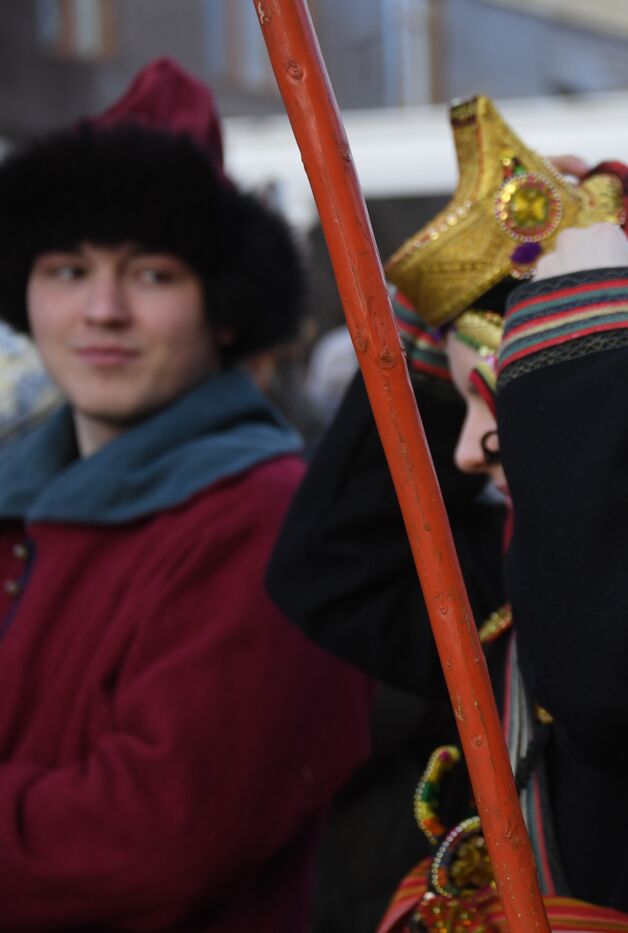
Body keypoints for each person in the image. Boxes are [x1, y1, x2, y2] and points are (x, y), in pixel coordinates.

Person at [266, 97, 628, 929]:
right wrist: (436, 316)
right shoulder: (554, 560)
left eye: (504, 395)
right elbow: (335, 567)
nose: (466, 452)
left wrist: (592, 343)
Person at [0, 58, 369, 930]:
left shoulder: (266, 518)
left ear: (225, 308)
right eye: (66, 269)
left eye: (152, 274)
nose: (102, 310)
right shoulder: (17, 496)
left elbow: (147, 841)